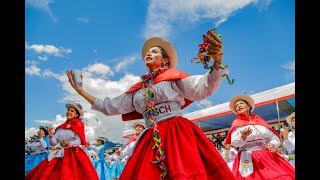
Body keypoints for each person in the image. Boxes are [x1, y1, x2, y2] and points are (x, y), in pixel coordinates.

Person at [66, 30, 235, 179]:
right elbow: (109, 107)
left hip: (176, 133)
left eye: (154, 51)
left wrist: (217, 62)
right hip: (150, 138)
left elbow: (202, 88)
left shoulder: (173, 77)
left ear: (165, 60)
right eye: (147, 52)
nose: (148, 53)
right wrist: (81, 91)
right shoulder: (138, 89)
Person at [225, 94, 295, 179]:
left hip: (267, 156)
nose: (238, 106)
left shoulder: (258, 120)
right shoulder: (236, 123)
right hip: (248, 157)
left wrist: (272, 144)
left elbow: (273, 137)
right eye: (236, 106)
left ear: (249, 106)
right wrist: (243, 136)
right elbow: (235, 143)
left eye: (241, 103)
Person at [25, 102, 99, 180]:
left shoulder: (78, 125)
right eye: (68, 110)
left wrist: (69, 144)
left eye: (72, 111)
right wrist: (51, 137)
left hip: (73, 154)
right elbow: (54, 143)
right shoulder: (60, 127)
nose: (69, 112)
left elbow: (78, 141)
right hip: (59, 153)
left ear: (76, 115)